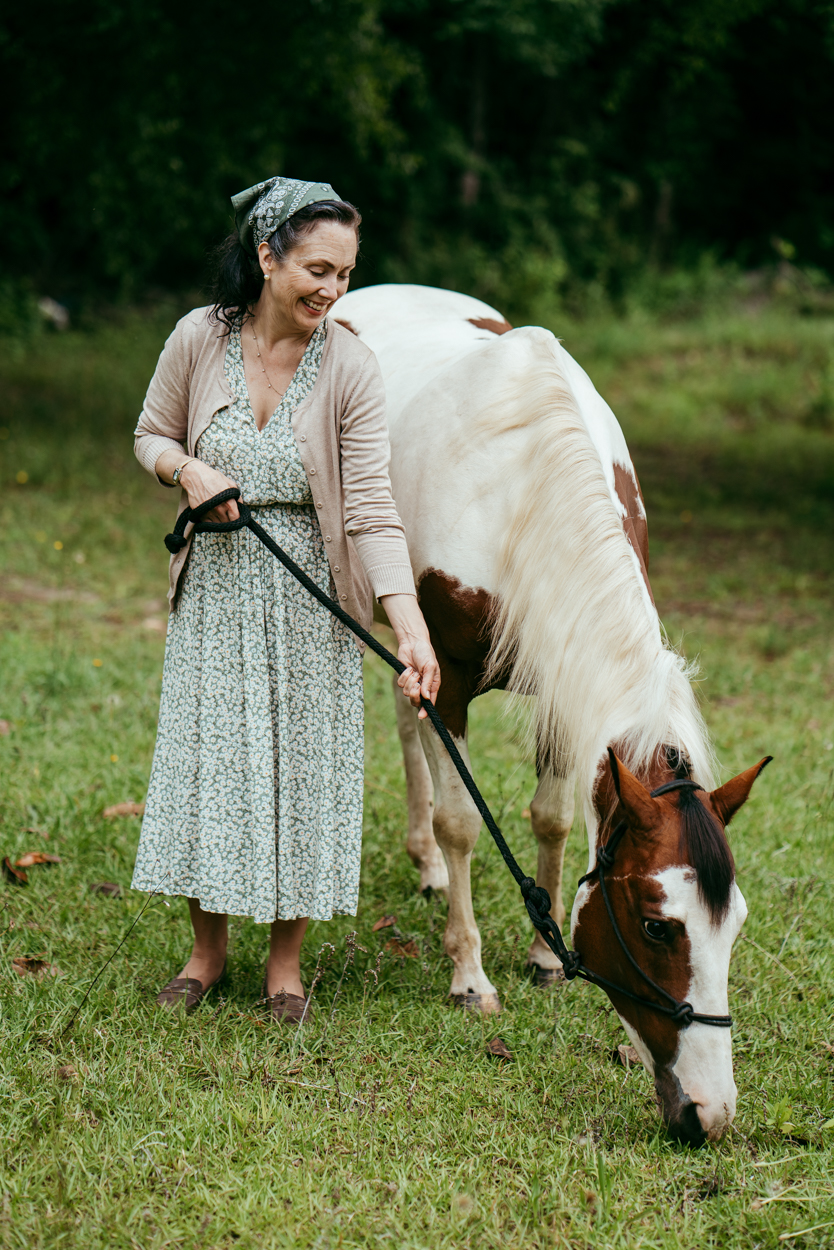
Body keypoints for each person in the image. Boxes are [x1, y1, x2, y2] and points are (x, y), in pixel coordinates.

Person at [132, 176, 440, 1023]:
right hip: (220, 586)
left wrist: (409, 628)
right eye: (316, 268)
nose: (331, 290)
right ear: (267, 256)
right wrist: (189, 471)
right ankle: (206, 950)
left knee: (302, 771)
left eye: (343, 273)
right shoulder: (199, 339)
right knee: (213, 764)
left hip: (314, 593)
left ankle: (285, 965)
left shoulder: (351, 366)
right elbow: (150, 433)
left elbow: (373, 507)